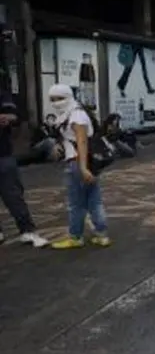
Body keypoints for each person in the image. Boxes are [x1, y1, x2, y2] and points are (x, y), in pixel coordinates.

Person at [48, 84, 111, 250]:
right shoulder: (72, 113)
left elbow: (82, 142)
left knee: (76, 203)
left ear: (68, 97)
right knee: (93, 200)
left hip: (78, 162)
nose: (56, 103)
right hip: (83, 162)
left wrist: (83, 168)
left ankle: (75, 236)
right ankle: (101, 234)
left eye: (60, 98)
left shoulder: (76, 116)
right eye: (52, 99)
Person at [0, 88, 48, 247]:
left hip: (3, 155)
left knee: (13, 195)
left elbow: (14, 115)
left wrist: (6, 117)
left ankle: (27, 230)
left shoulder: (2, 93)